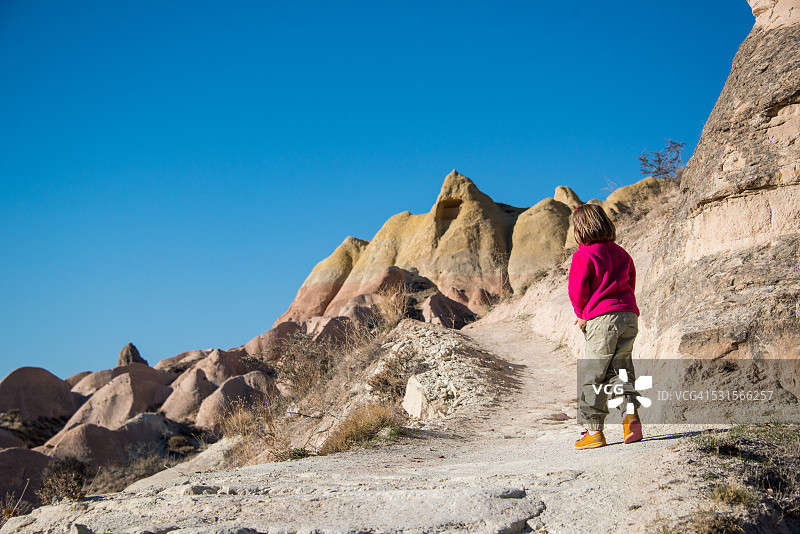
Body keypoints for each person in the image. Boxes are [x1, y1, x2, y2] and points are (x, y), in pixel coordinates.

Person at [568, 203, 643, 449]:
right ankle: (630, 417)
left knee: (595, 374)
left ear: (579, 229)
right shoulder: (622, 253)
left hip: (602, 320)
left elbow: (578, 290)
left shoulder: (584, 254)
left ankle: (594, 432)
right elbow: (630, 282)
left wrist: (581, 315)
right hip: (628, 316)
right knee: (622, 370)